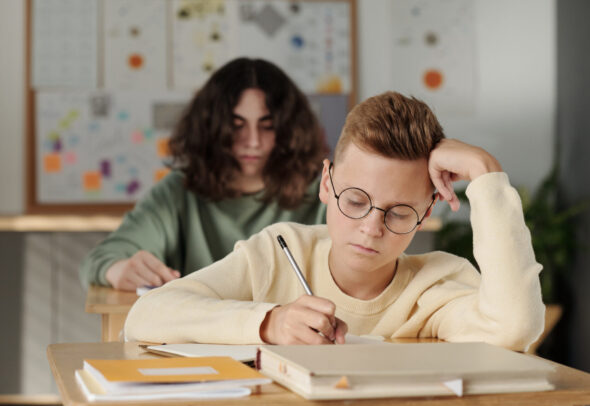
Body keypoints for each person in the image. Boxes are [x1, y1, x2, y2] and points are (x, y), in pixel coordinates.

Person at [124, 91, 545, 352]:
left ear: (425, 215)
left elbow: (515, 328)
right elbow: (147, 315)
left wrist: (486, 172)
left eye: (399, 213)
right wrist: (269, 323)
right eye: (356, 200)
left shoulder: (436, 285)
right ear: (326, 183)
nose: (371, 228)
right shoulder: (279, 250)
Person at [80, 58, 328, 291]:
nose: (252, 141)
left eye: (267, 126)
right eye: (236, 125)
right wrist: (121, 269)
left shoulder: (321, 195)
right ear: (212, 127)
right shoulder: (179, 191)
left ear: (288, 131)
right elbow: (101, 259)